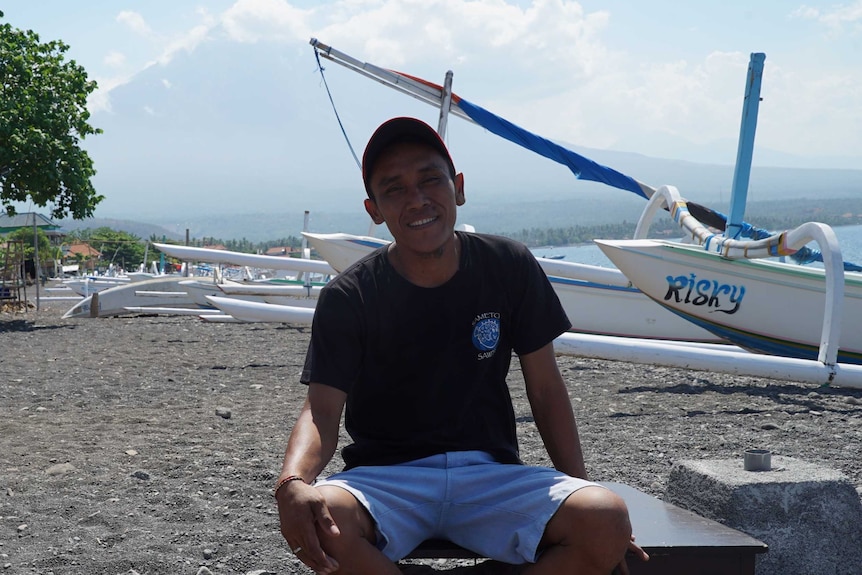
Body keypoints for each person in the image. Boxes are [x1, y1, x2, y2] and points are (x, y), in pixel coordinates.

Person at [274, 117, 647, 574]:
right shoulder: (350, 295)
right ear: (374, 209)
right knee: (322, 523)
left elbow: (546, 389)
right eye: (395, 189)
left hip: (492, 474)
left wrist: (580, 493)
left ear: (459, 187)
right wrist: (293, 480)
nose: (417, 199)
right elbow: (321, 410)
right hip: (385, 479)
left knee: (605, 518)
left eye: (430, 179)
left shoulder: (507, 265)